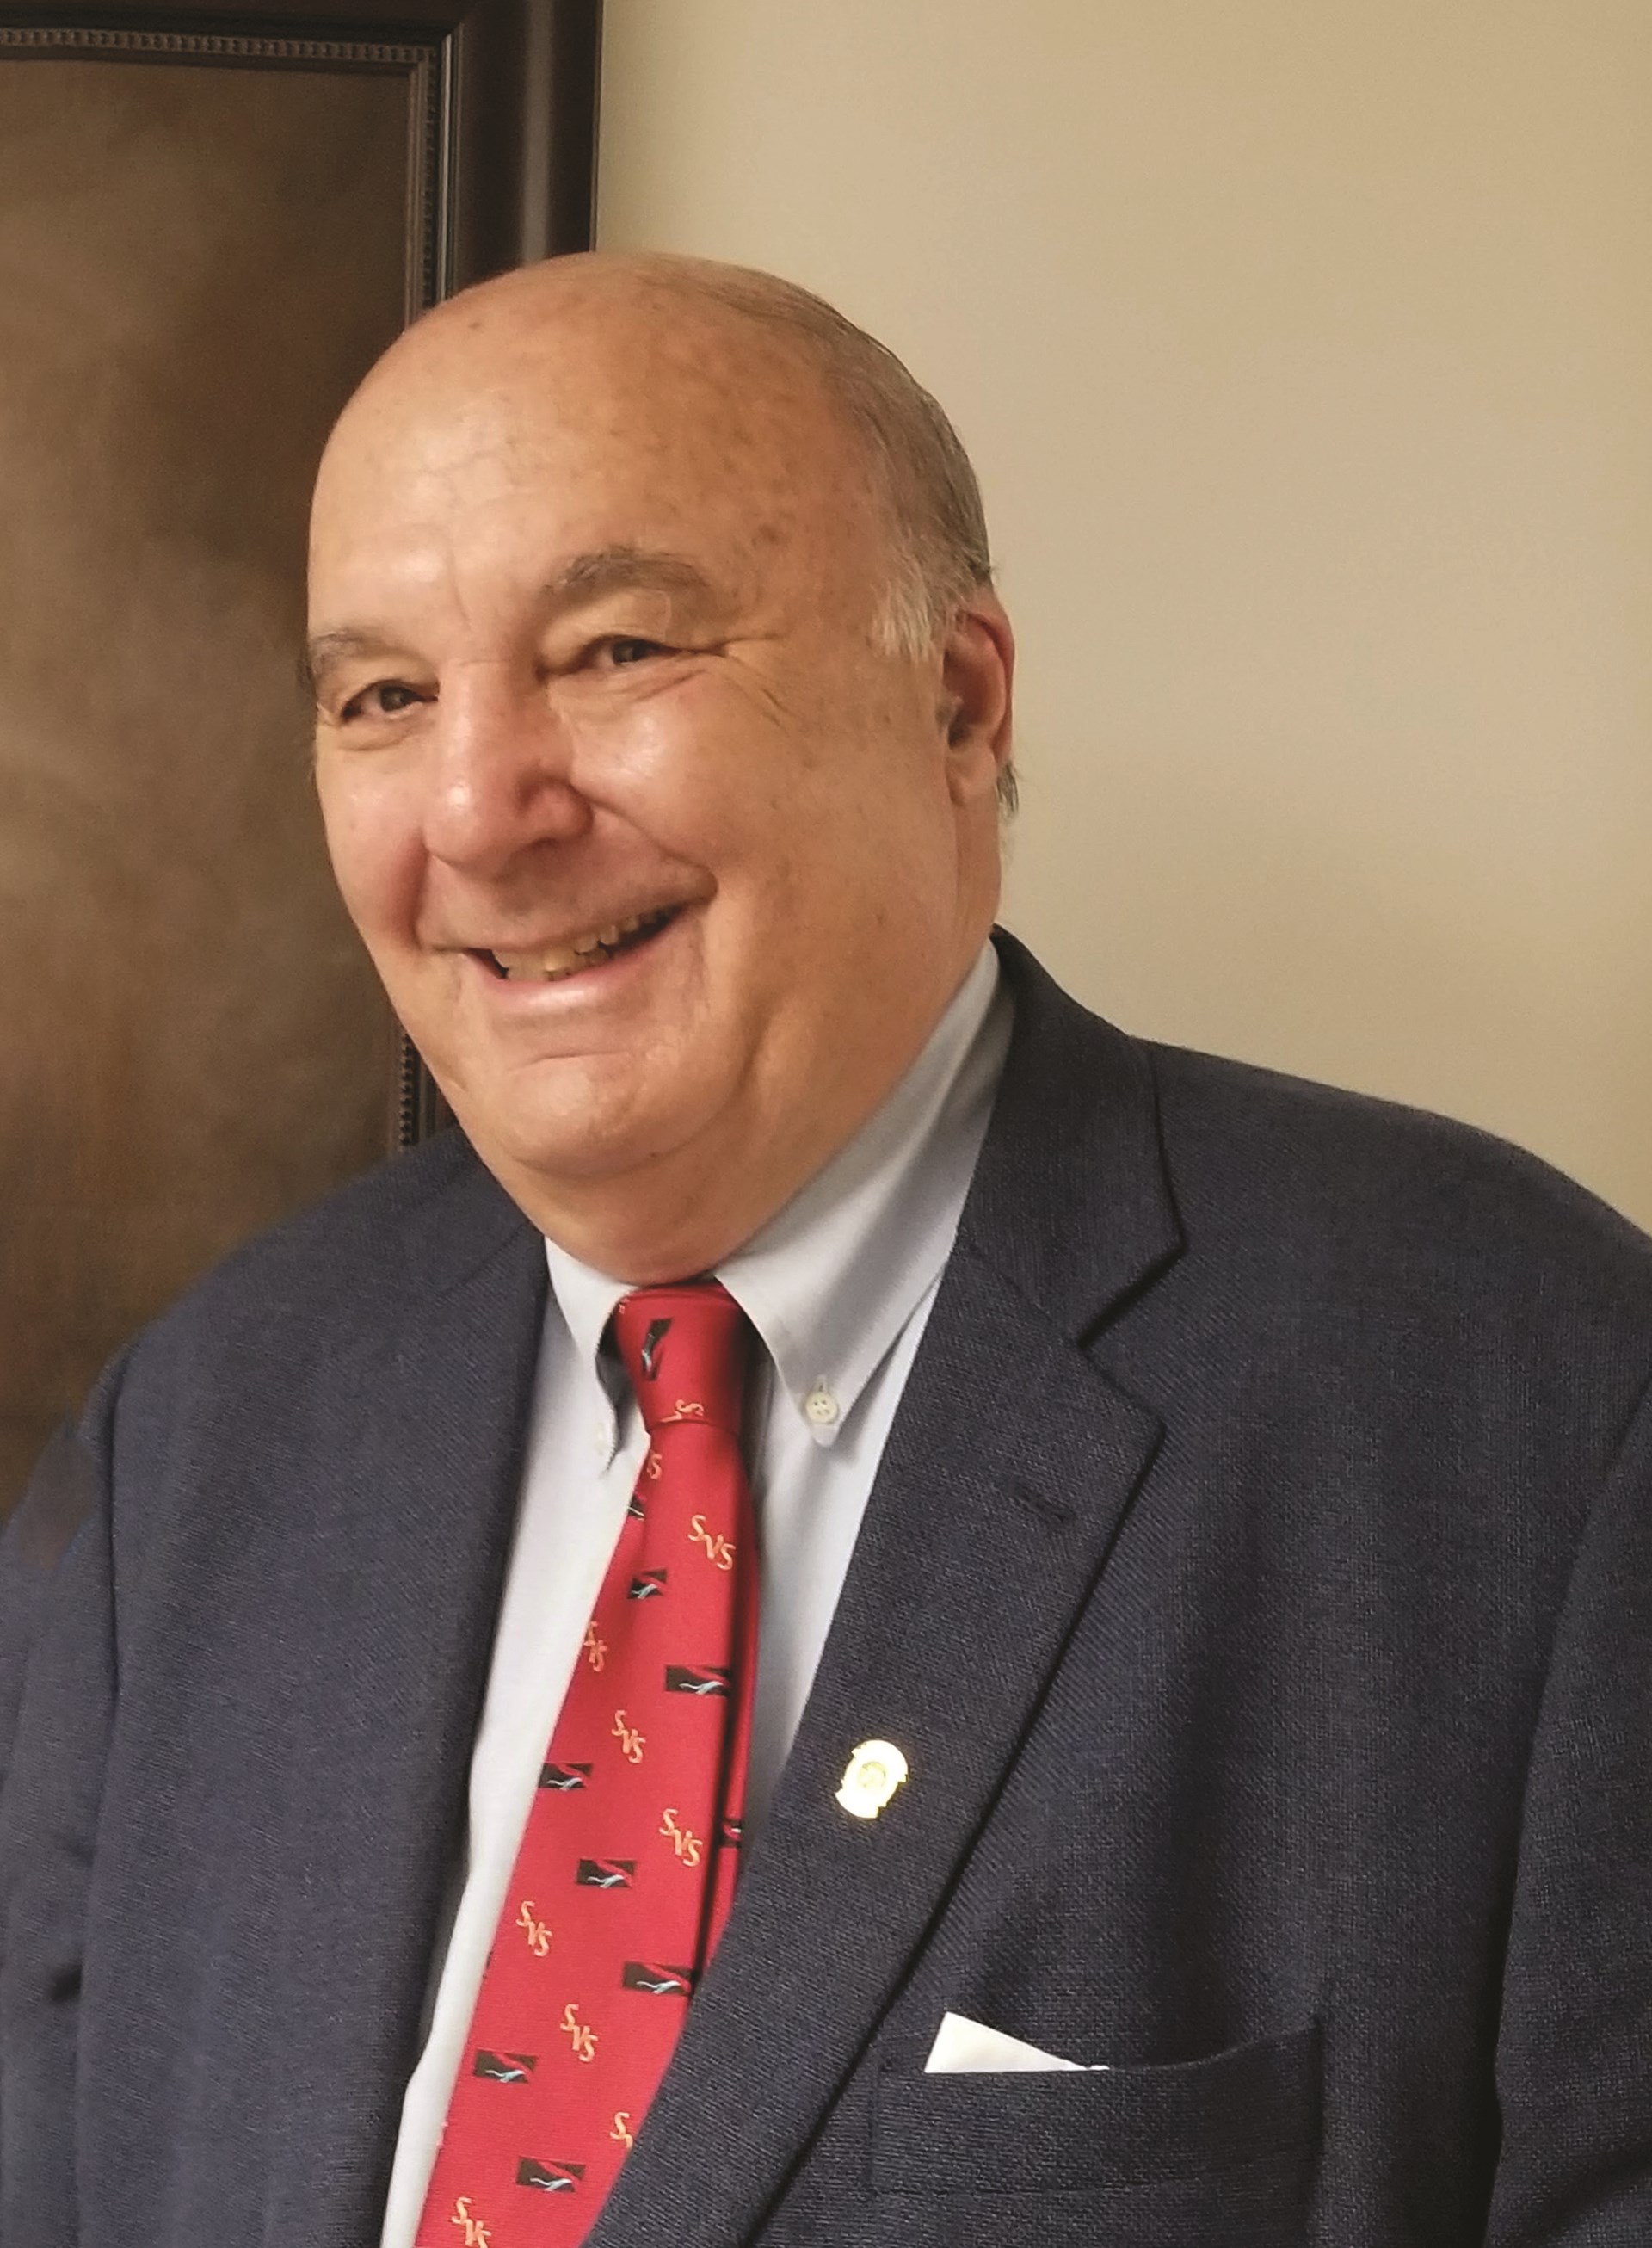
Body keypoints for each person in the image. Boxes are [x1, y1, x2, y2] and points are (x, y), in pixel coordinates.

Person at [2, 252, 1649, 2248]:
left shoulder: (1534, 1410)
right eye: (384, 697)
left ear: (957, 701)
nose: (479, 808)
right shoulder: (206, 1429)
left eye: (614, 648)